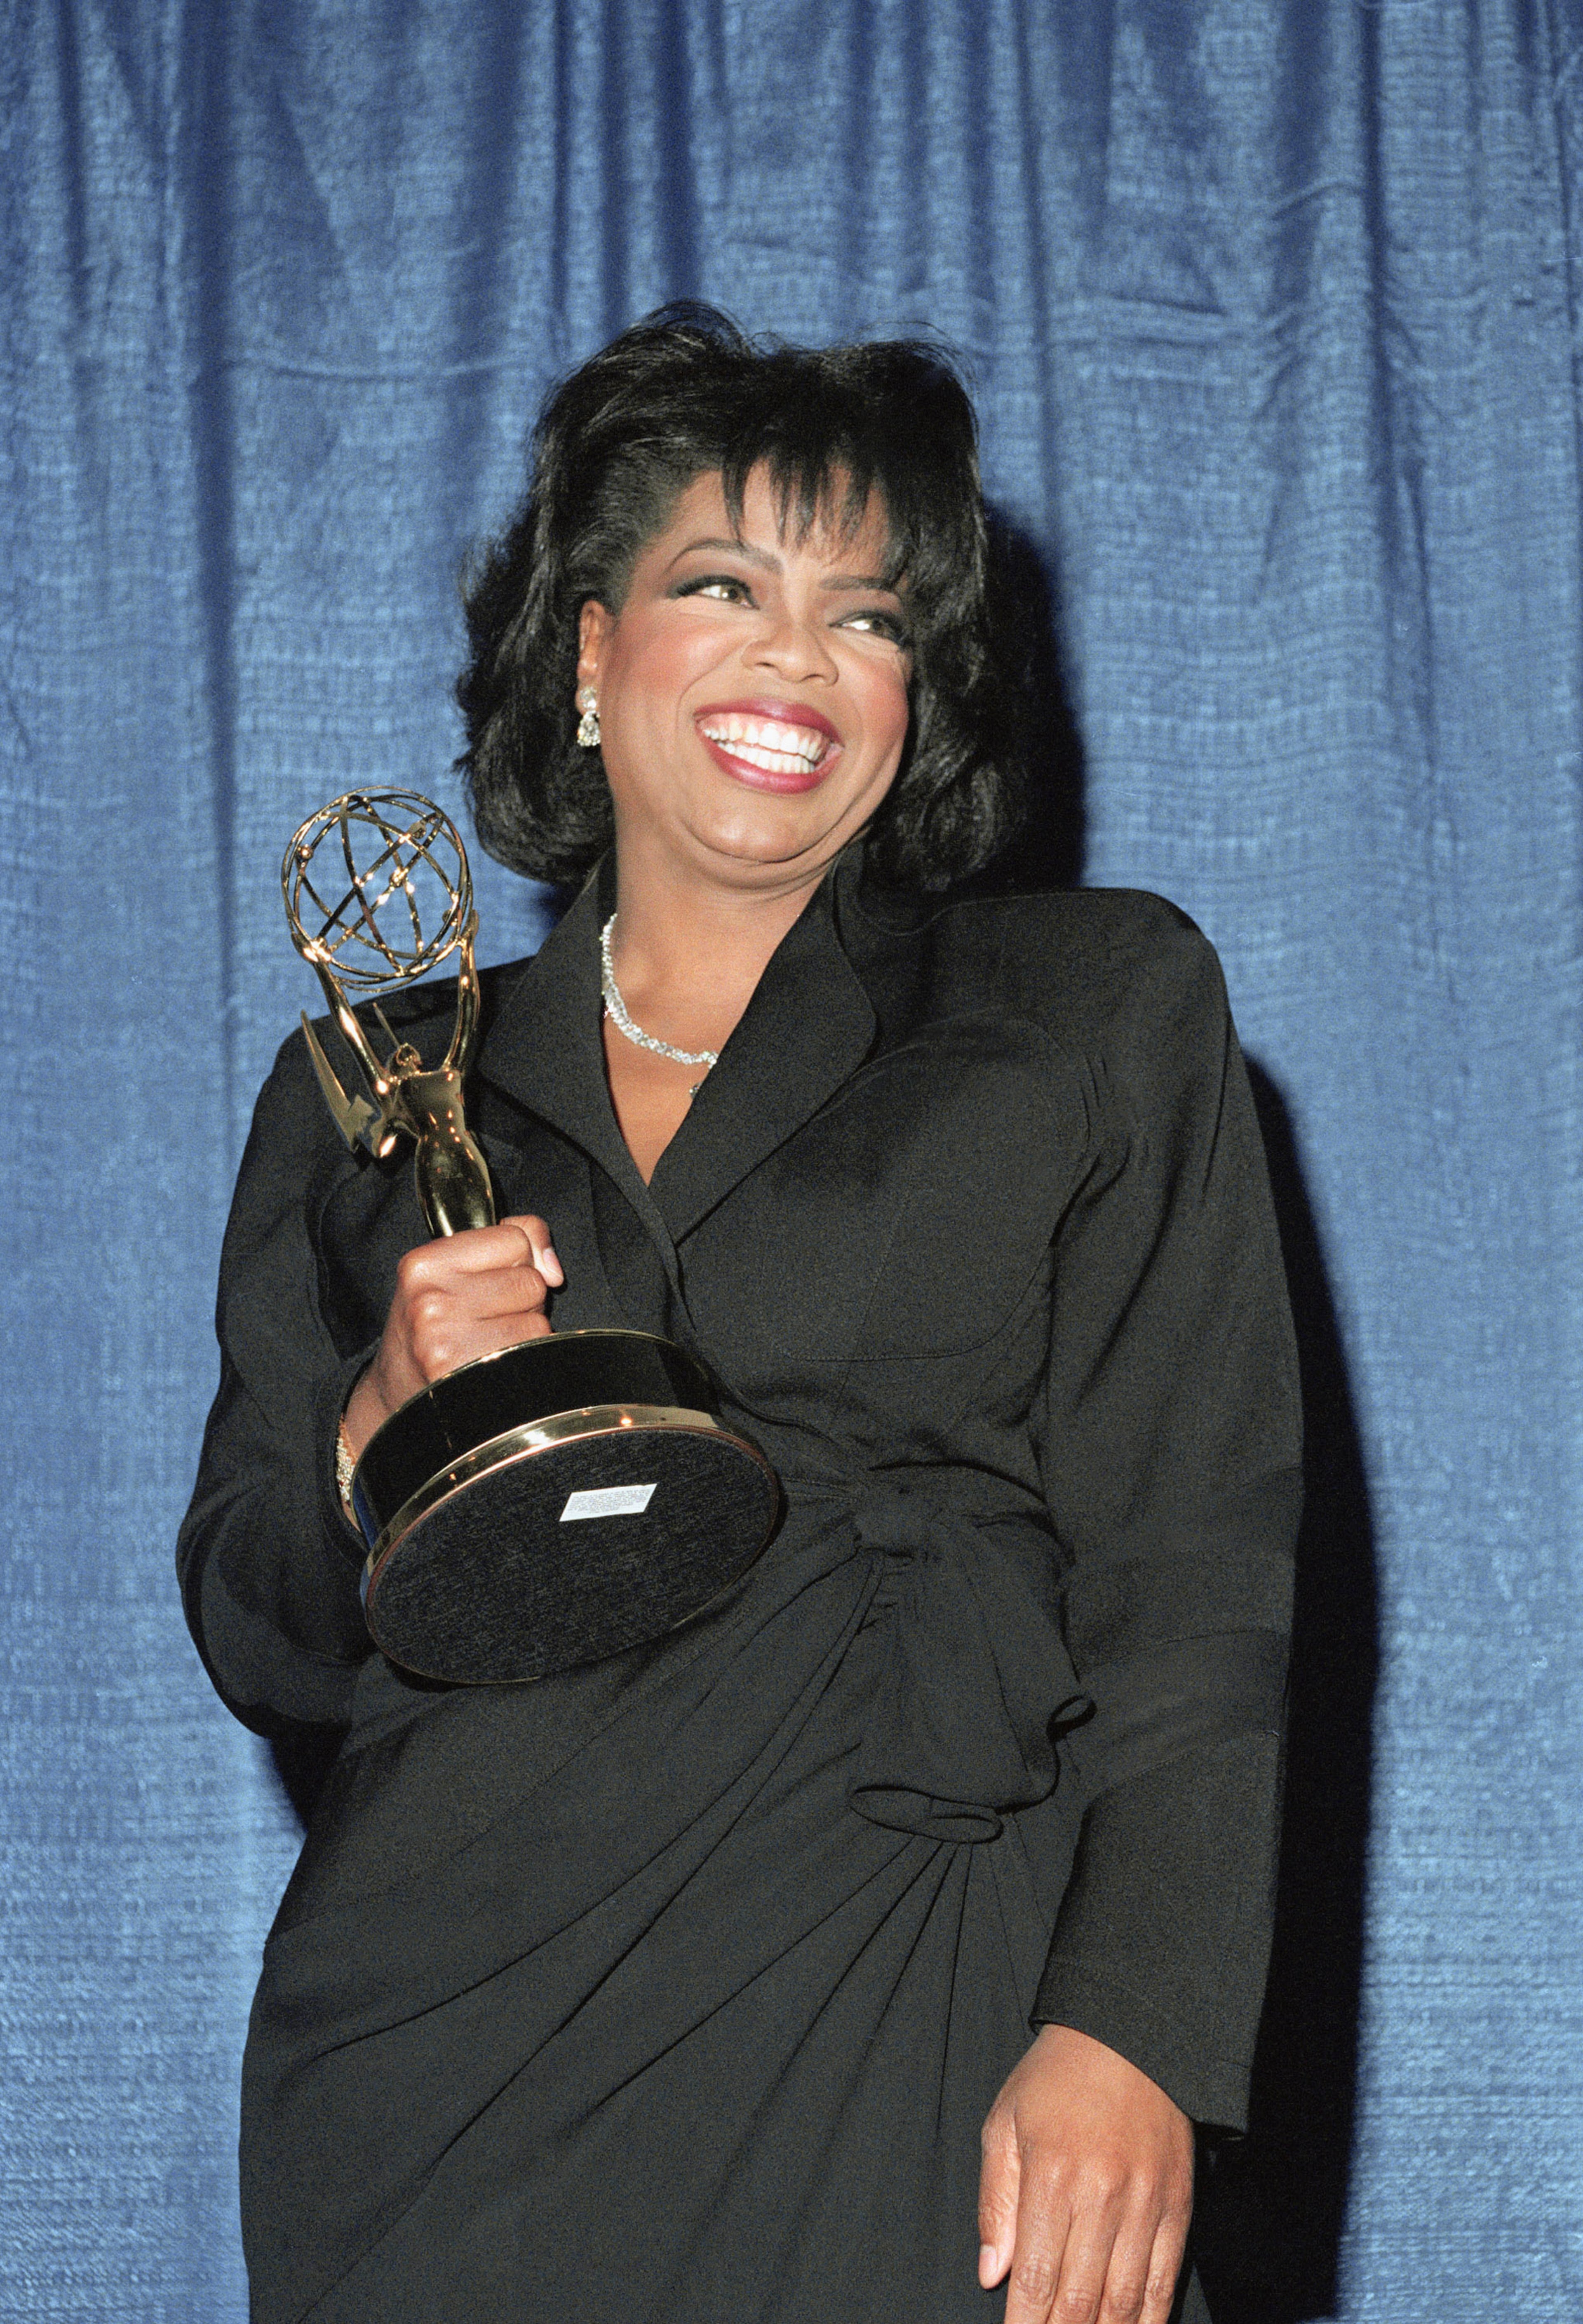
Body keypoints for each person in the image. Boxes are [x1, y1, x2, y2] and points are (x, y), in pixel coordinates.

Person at [177, 305, 1300, 2324]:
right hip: (445, 2064)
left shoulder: (1093, 1007)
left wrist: (1135, 2027)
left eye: (870, 617)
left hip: (929, 1990)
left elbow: (1199, 1571)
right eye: (723, 583)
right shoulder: (369, 1084)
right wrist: (371, 1430)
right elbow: (261, 1623)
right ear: (589, 649)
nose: (799, 653)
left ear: (916, 697)